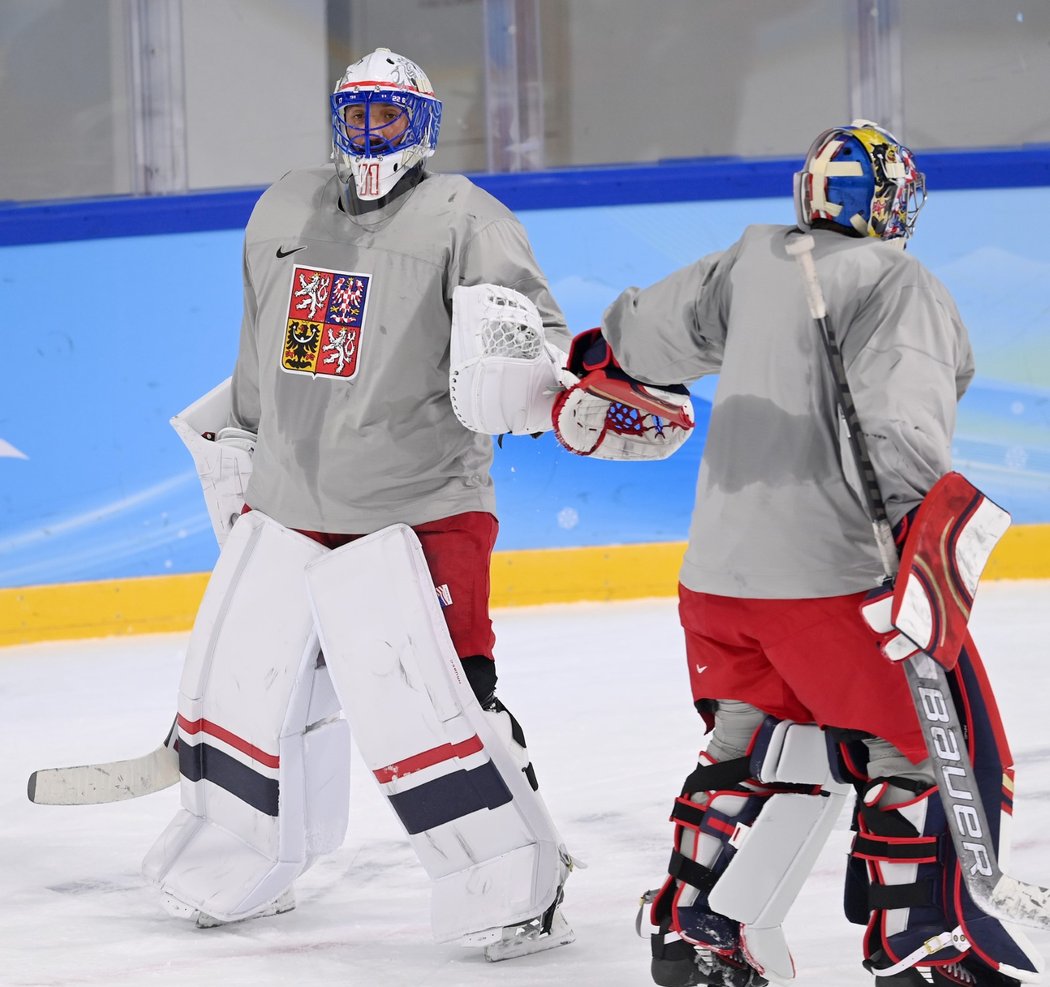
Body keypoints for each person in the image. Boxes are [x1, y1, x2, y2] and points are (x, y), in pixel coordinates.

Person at [553, 122, 1043, 986]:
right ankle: (926, 942)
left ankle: (696, 927)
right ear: (887, 203)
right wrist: (909, 548)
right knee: (933, 747)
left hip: (718, 583)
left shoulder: (748, 259)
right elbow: (898, 429)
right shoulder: (901, 281)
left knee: (752, 745)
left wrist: (596, 359)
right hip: (834, 576)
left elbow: (630, 340)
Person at [143, 47, 575, 960]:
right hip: (294, 502)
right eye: (359, 114)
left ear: (420, 127)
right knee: (261, 698)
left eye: (390, 116)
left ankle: (520, 880)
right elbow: (262, 346)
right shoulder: (284, 210)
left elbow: (539, 336)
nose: (372, 133)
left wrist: (526, 379)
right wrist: (245, 456)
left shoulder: (466, 217)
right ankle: (241, 857)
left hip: (421, 505)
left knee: (452, 698)